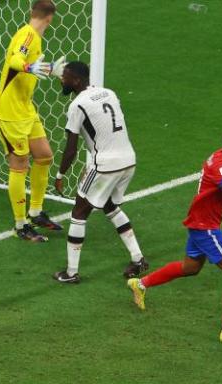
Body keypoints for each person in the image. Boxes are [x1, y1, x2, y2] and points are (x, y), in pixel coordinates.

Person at [127, 126, 222, 345]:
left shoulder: (219, 156)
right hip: (206, 227)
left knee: (191, 267)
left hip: (199, 223)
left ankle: (140, 284)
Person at [52, 61, 147, 283]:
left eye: (65, 77)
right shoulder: (108, 93)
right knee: (109, 206)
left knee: (78, 212)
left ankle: (71, 273)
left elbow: (71, 149)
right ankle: (138, 258)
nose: (62, 80)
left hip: (105, 165)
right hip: (128, 160)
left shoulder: (77, 106)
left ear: (75, 80)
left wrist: (60, 175)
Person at [0, 0, 66, 242]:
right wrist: (29, 66)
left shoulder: (34, 37)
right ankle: (21, 224)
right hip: (8, 113)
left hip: (25, 110)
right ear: (50, 18)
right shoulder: (28, 35)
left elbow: (25, 66)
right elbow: (14, 60)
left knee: (44, 155)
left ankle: (36, 211)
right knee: (20, 164)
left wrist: (48, 68)